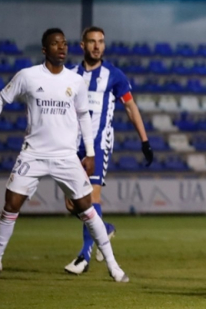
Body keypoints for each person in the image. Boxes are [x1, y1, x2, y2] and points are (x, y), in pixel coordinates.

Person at [0, 28, 129, 282]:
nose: (62, 48)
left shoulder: (75, 81)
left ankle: (113, 265)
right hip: (34, 154)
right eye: (55, 44)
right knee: (10, 205)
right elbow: (0, 99)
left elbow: (83, 116)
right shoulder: (28, 76)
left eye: (64, 44)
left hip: (66, 156)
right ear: (45, 50)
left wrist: (89, 152)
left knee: (88, 209)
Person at [63, 26, 154, 275]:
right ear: (82, 45)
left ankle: (84, 257)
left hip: (99, 144)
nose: (97, 46)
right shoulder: (70, 74)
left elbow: (131, 107)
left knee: (91, 199)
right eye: (92, 41)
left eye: (101, 41)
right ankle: (106, 227)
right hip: (72, 146)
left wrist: (144, 141)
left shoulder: (114, 75)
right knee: (73, 205)